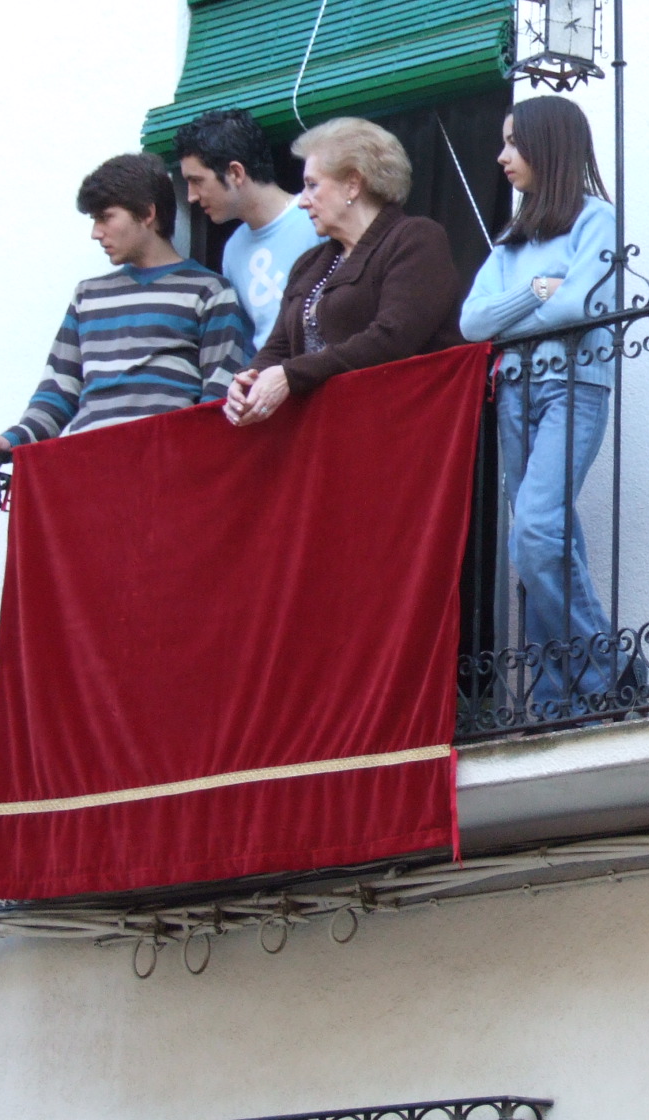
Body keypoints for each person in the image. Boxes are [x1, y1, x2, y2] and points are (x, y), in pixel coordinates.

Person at [459, 96, 622, 714]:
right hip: (515, 395)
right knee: (543, 542)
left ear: (547, 146)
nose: (502, 157)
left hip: (574, 384)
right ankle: (563, 696)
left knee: (535, 530)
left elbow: (579, 307)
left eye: (513, 143)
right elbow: (473, 323)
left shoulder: (595, 219)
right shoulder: (511, 243)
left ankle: (606, 671)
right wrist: (534, 289)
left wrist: (522, 310)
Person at [0, 153, 251, 459]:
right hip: (90, 469)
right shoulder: (87, 295)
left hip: (166, 471)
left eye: (105, 217)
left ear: (147, 213)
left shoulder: (209, 291)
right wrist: (11, 441)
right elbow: (57, 392)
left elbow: (219, 396)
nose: (96, 233)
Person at [226, 118, 464, 427]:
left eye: (312, 185)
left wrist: (292, 375)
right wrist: (250, 380)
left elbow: (391, 338)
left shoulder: (415, 238)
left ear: (353, 183)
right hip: (325, 434)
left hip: (401, 429)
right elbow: (278, 347)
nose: (303, 202)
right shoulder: (308, 264)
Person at [175, 107, 321, 349]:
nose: (191, 196)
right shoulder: (232, 250)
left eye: (197, 181)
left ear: (235, 172)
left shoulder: (315, 219)